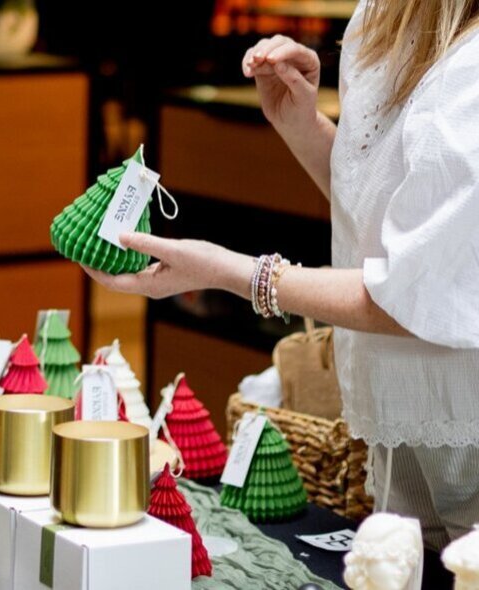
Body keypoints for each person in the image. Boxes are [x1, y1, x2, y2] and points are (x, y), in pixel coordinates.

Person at [84, 0, 479, 551]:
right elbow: (393, 219)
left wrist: (239, 274)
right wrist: (302, 126)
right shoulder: (381, 18)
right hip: (398, 412)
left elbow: (411, 294)